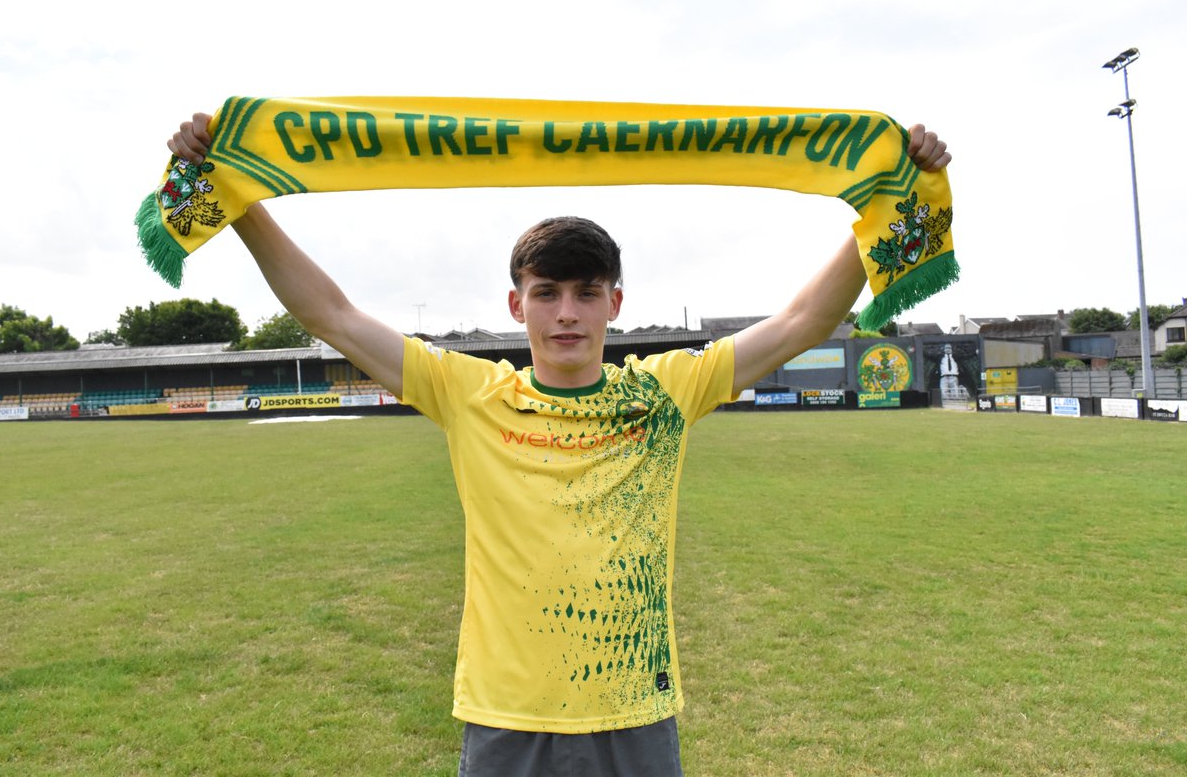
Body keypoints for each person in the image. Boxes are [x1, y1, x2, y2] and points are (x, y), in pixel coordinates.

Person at [168, 113, 950, 777]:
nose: (566, 313)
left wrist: (883, 205)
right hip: (508, 715)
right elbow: (332, 316)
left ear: (616, 300)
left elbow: (801, 324)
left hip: (632, 709)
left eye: (584, 293)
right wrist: (238, 201)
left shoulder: (663, 391)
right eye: (547, 293)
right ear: (518, 303)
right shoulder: (471, 393)